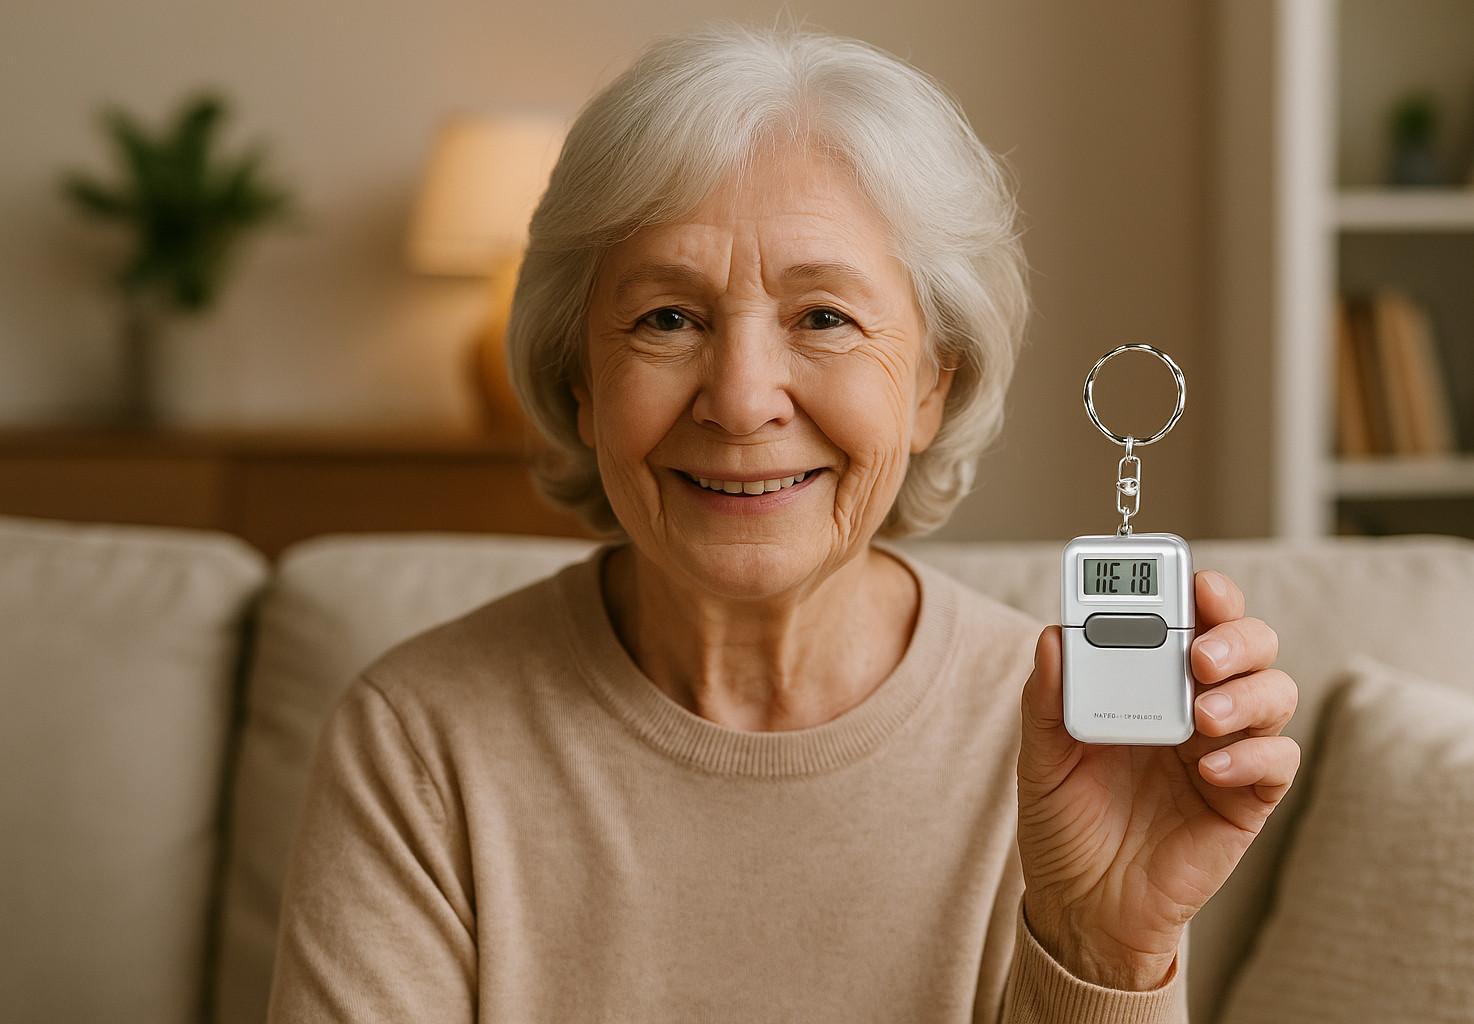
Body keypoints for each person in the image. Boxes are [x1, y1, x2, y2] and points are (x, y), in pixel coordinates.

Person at [266, 23, 1299, 1023]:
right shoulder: (419, 742)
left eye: (823, 318)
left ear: (934, 384)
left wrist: (1099, 955)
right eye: (667, 317)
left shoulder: (1068, 740)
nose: (742, 397)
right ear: (579, 379)